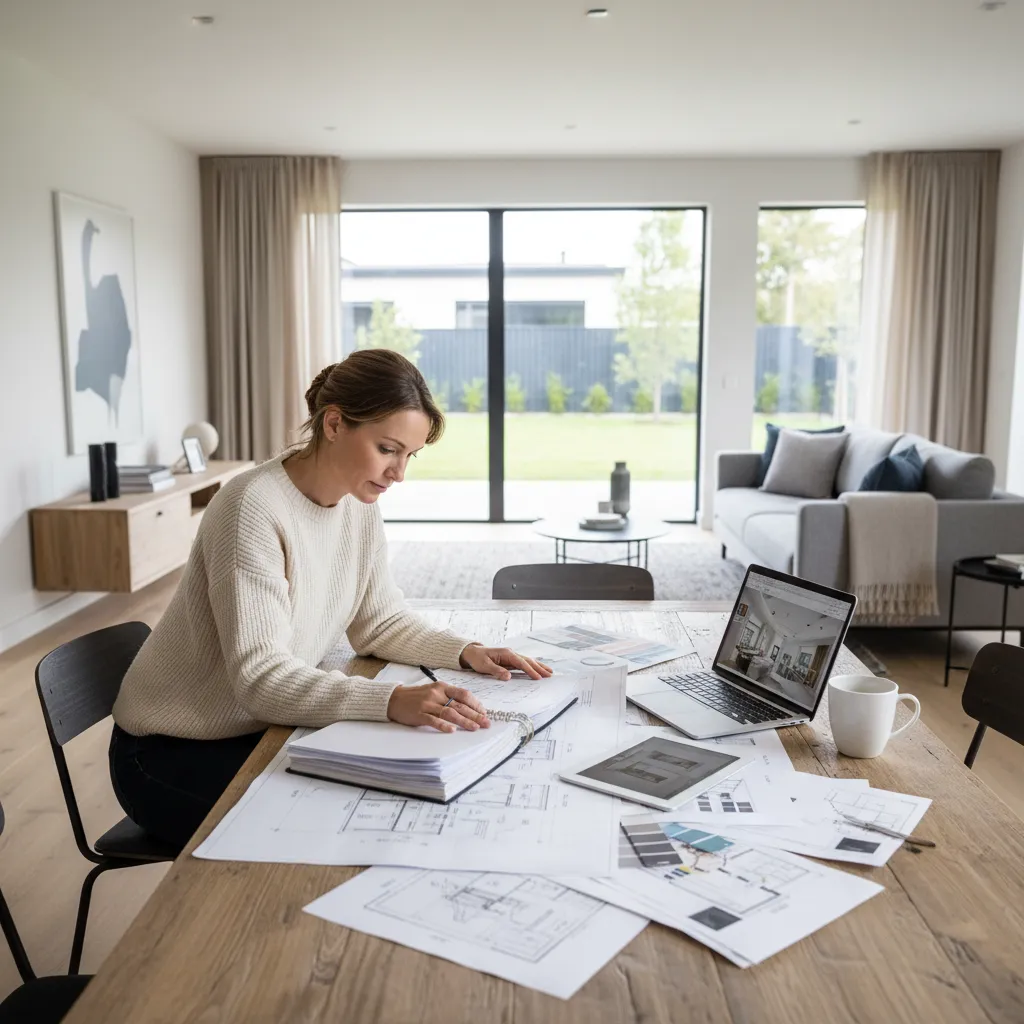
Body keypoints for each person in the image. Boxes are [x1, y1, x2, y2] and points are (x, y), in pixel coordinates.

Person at [109, 350, 550, 850]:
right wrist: (387, 701)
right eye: (388, 449)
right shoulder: (251, 506)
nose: (398, 473)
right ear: (335, 423)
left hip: (263, 728)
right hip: (171, 752)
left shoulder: (356, 503)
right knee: (344, 827)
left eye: (409, 455)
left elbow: (378, 623)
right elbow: (260, 680)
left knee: (396, 802)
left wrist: (464, 650)